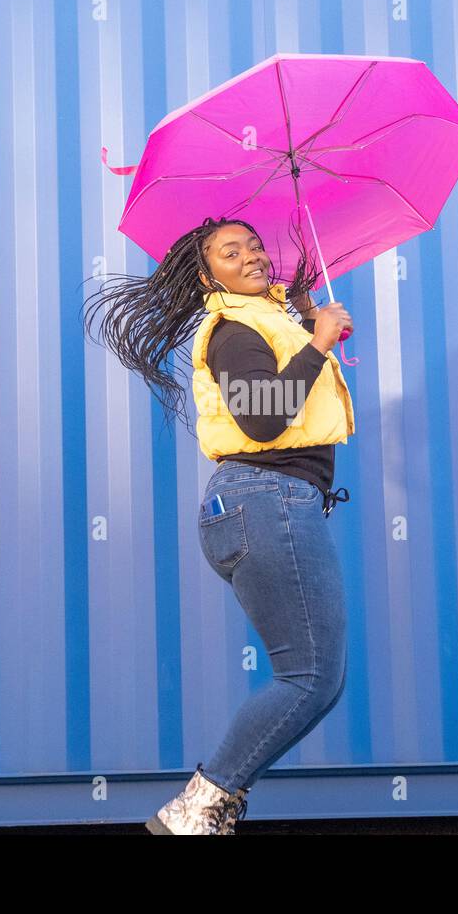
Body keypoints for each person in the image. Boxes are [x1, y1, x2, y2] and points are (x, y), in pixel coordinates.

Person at [81, 214, 356, 834]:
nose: (252, 255)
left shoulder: (271, 318)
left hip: (264, 506)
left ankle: (208, 806)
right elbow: (262, 419)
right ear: (209, 276)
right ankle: (197, 809)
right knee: (310, 677)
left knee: (321, 681)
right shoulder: (232, 328)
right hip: (267, 503)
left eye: (255, 244)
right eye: (232, 252)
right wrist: (317, 344)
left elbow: (287, 396)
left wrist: (308, 324)